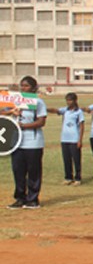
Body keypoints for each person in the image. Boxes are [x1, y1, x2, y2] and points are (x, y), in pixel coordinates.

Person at [5, 76, 47, 209]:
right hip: (16, 143)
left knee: (33, 171)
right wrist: (12, 111)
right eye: (21, 85)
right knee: (18, 171)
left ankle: (33, 199)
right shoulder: (15, 101)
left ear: (34, 88)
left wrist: (23, 126)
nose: (23, 88)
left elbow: (41, 121)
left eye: (26, 85)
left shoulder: (38, 102)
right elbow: (2, 111)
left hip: (33, 143)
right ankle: (20, 198)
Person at [57, 92, 85, 185]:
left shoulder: (78, 112)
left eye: (70, 100)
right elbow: (56, 110)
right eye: (67, 100)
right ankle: (68, 177)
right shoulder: (65, 110)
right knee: (66, 159)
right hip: (65, 138)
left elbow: (81, 126)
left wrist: (80, 140)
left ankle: (78, 178)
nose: (69, 102)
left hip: (74, 138)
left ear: (75, 100)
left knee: (76, 159)